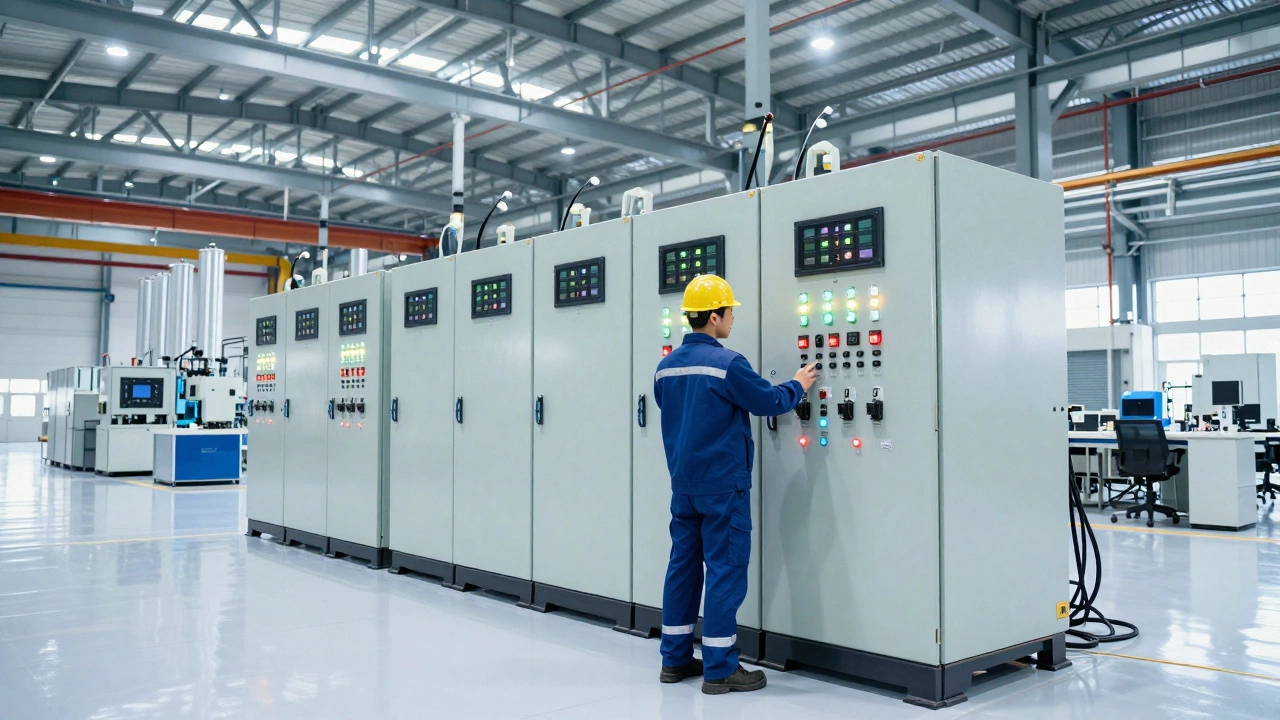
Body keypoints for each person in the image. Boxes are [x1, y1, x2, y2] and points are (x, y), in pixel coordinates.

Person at [653, 274, 818, 695]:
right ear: (713, 317)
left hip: (684, 485)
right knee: (725, 570)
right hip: (723, 486)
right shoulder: (727, 363)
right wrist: (798, 385)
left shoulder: (666, 367)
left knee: (683, 568)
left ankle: (674, 660)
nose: (732, 320)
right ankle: (721, 668)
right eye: (729, 313)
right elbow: (767, 401)